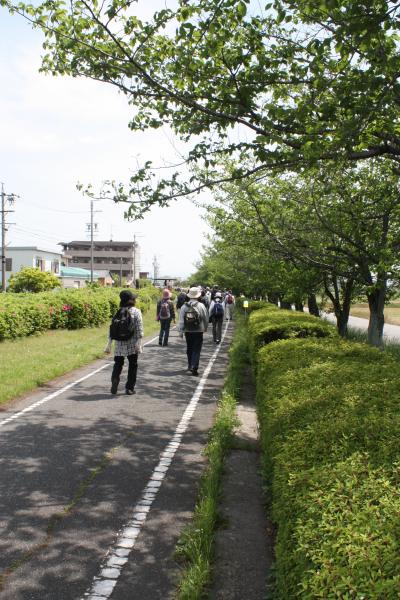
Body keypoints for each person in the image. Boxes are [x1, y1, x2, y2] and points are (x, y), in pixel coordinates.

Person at [105, 290, 143, 395]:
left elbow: (112, 329)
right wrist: (139, 343)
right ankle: (129, 388)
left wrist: (109, 343)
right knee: (133, 365)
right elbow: (139, 329)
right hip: (132, 343)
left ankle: (115, 379)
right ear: (131, 300)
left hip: (119, 344)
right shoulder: (136, 311)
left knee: (118, 363)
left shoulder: (119, 311)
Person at [178, 286, 209, 376]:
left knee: (189, 347)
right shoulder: (201, 305)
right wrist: (205, 328)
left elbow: (181, 320)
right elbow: (205, 318)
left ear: (189, 295)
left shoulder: (184, 306)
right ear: (198, 296)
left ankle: (190, 365)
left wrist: (181, 331)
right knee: (197, 349)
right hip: (198, 330)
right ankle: (194, 366)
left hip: (188, 330)